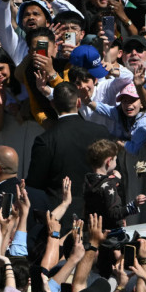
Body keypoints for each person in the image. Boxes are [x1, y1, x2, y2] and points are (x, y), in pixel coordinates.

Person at [27, 82, 112, 216]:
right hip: (97, 213)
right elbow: (111, 170)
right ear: (79, 103)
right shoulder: (101, 132)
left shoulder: (45, 140)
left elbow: (35, 183)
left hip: (60, 215)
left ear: (53, 104)